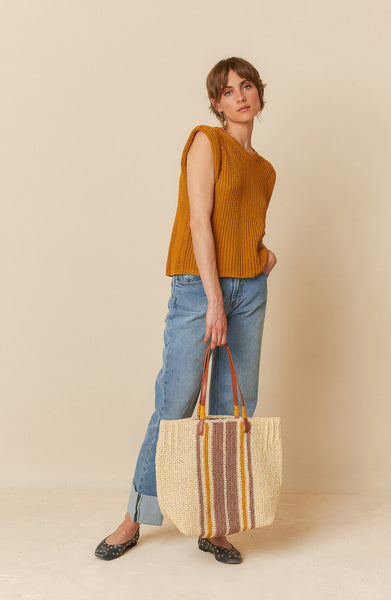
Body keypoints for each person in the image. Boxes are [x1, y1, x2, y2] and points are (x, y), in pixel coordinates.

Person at [94, 56, 277, 565]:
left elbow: (245, 229)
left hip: (250, 291)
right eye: (228, 91)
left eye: (247, 86)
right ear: (216, 104)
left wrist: (264, 260)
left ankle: (214, 525)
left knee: (232, 408)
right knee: (174, 403)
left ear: (259, 93)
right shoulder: (205, 141)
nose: (240, 96)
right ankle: (135, 517)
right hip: (199, 289)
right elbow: (200, 222)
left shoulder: (265, 170)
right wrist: (215, 299)